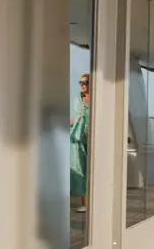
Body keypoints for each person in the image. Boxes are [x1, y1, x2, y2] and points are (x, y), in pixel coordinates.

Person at [71, 74, 90, 213]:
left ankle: (96, 202)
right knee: (82, 169)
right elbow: (76, 118)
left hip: (93, 137)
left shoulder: (96, 99)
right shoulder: (77, 100)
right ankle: (85, 204)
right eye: (81, 82)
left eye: (85, 82)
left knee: (93, 170)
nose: (82, 85)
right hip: (78, 137)